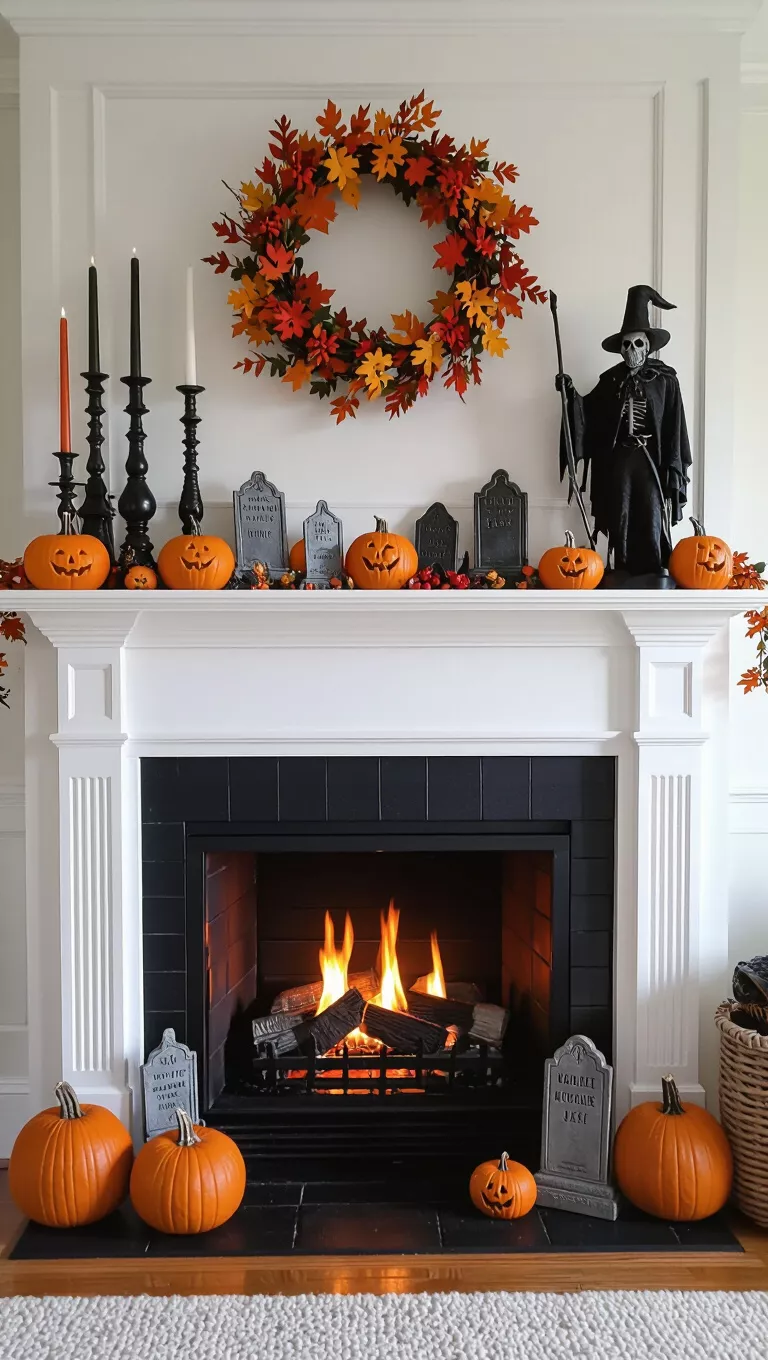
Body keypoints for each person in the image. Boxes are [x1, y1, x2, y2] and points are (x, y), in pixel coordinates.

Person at [557, 285, 692, 583]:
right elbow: (587, 412)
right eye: (626, 345)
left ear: (648, 346)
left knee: (651, 508)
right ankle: (623, 565)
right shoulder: (611, 381)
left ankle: (655, 563)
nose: (632, 351)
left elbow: (674, 425)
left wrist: (672, 463)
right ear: (621, 348)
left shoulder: (665, 380)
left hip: (651, 459)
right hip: (619, 457)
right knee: (620, 508)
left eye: (638, 344)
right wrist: (570, 393)